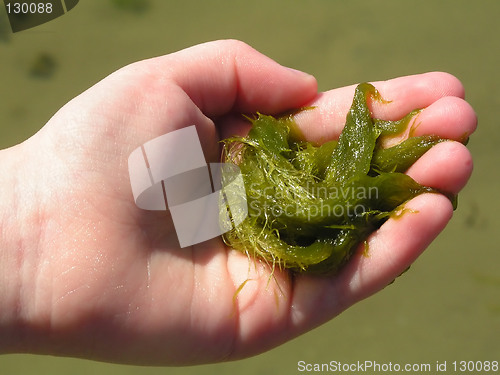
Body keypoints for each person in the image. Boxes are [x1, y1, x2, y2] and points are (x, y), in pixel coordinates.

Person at [0, 40, 476, 365]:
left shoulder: (237, 188)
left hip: (251, 205)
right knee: (328, 208)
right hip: (247, 206)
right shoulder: (236, 187)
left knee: (345, 198)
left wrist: (30, 253)